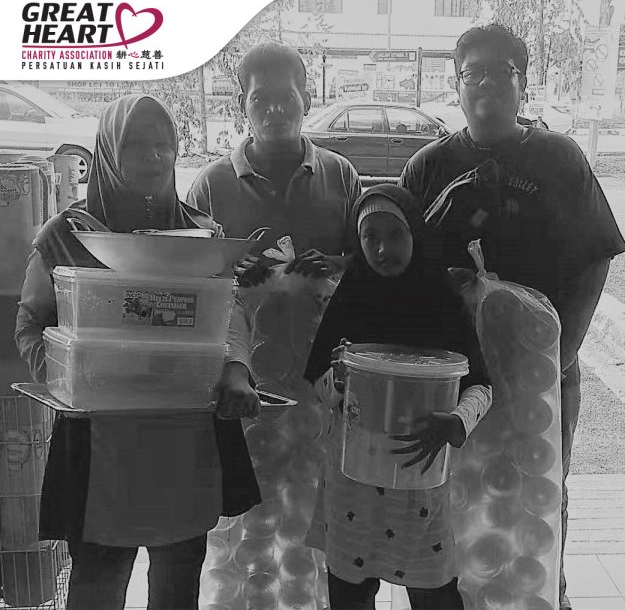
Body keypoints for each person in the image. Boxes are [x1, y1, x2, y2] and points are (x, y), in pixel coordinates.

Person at [399, 24, 625, 610]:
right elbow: (394, 261)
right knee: (452, 496)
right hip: (454, 377)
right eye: (473, 72)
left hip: (543, 373)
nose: (487, 84)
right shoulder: (428, 166)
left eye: (503, 71)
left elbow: (597, 255)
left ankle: (546, 596)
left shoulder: (559, 157)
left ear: (523, 84)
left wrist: (563, 353)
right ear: (456, 83)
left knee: (540, 495)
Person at [14, 94, 260, 610]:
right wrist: (70, 383)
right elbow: (31, 324)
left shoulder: (202, 236)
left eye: (163, 144)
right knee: (98, 585)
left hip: (183, 440)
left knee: (176, 587)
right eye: (136, 145)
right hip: (101, 446)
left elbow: (229, 310)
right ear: (107, 151)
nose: (154, 157)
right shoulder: (66, 237)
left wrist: (236, 369)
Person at [304, 184, 492, 610]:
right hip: (353, 480)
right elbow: (319, 387)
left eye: (395, 235)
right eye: (370, 237)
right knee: (350, 593)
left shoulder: (441, 298)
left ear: (415, 235)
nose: (383, 249)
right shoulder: (352, 295)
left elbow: (481, 385)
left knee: (434, 592)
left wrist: (458, 421)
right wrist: (338, 381)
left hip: (418, 477)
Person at [186, 41, 361, 415]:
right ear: (241, 104)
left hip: (326, 374)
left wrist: (335, 263)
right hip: (243, 383)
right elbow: (191, 279)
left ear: (307, 101)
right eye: (260, 99)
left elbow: (369, 263)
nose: (275, 110)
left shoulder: (340, 175)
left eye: (287, 97)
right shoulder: (211, 185)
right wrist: (230, 270)